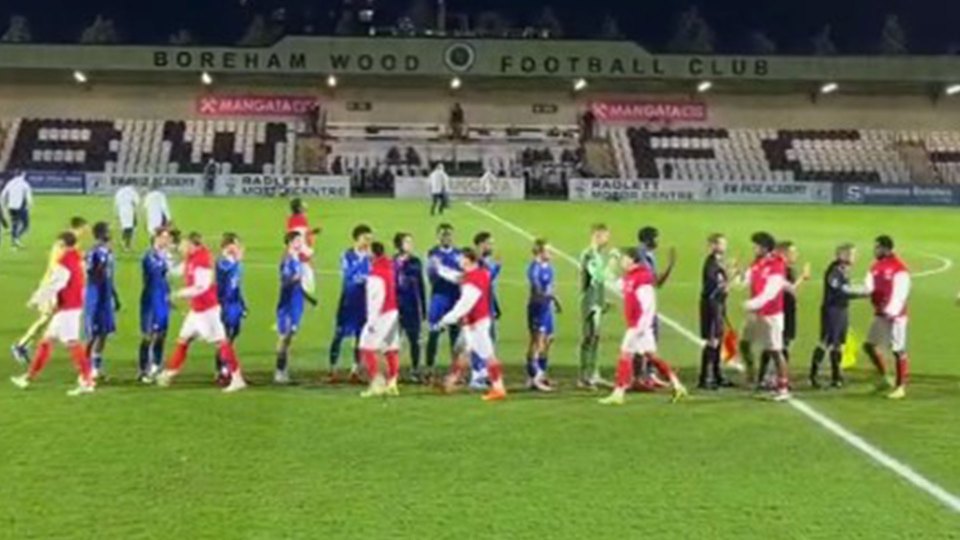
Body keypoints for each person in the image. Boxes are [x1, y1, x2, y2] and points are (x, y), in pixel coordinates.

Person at [155, 232, 247, 393]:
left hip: (207, 311)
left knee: (221, 343)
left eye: (184, 244)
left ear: (192, 244)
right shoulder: (192, 258)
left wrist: (178, 294)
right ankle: (169, 373)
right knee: (183, 340)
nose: (181, 248)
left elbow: (201, 287)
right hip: (196, 310)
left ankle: (237, 378)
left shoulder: (203, 260)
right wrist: (165, 261)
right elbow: (178, 270)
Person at [10, 231, 95, 396]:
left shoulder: (64, 262)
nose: (56, 248)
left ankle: (87, 381)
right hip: (71, 306)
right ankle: (28, 377)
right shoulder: (77, 258)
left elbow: (55, 284)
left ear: (63, 245)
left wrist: (36, 299)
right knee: (46, 341)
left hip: (68, 309)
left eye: (58, 245)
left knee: (72, 344)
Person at [599, 247, 687, 405]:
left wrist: (640, 327)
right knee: (652, 357)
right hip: (640, 327)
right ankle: (677, 385)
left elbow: (648, 305)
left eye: (623, 258)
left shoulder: (642, 277)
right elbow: (610, 282)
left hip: (639, 326)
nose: (622, 262)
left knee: (625, 355)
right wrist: (611, 261)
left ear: (632, 260)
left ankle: (618, 393)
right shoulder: (629, 277)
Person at [10, 216, 89, 365]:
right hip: (52, 285)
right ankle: (21, 346)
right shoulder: (64, 244)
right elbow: (56, 266)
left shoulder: (70, 242)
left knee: (51, 318)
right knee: (46, 317)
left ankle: (26, 345)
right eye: (85, 227)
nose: (87, 231)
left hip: (60, 286)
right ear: (80, 227)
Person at [439, 247, 506, 402]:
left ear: (468, 259)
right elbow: (457, 277)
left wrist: (446, 319)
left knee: (488, 356)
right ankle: (451, 381)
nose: (458, 261)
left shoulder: (473, 280)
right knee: (464, 351)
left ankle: (498, 387)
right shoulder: (480, 273)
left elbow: (464, 305)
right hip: (475, 322)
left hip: (477, 324)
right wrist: (440, 269)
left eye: (461, 258)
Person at [741, 232, 790, 401]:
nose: (753, 248)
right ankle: (752, 376)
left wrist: (752, 303)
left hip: (771, 315)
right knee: (744, 343)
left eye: (756, 245)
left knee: (775, 351)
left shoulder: (777, 265)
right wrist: (736, 275)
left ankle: (783, 388)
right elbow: (745, 281)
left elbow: (771, 292)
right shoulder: (756, 262)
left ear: (764, 247)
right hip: (756, 314)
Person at [861, 235, 911, 400]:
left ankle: (900, 386)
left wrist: (892, 311)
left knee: (898, 349)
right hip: (880, 314)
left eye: (877, 247)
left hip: (896, 316)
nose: (875, 250)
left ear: (885, 248)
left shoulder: (899, 268)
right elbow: (869, 286)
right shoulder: (875, 266)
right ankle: (884, 377)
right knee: (869, 345)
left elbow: (901, 293)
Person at [809, 243, 860, 389]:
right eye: (851, 254)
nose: (854, 257)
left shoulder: (844, 270)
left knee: (839, 344)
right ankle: (813, 376)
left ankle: (836, 376)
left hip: (842, 310)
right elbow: (840, 290)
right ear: (841, 255)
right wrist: (862, 293)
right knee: (825, 342)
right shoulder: (834, 271)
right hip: (832, 310)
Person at [329, 224, 373, 383]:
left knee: (360, 336)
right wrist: (363, 273)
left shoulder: (372, 257)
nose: (368, 242)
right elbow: (348, 274)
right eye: (365, 238)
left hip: (363, 302)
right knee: (339, 334)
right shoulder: (347, 255)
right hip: (348, 300)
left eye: (370, 239)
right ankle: (333, 369)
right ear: (357, 239)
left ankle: (355, 370)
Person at [634, 226, 676, 390]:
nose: (659, 241)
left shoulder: (650, 256)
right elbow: (651, 280)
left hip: (649, 304)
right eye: (656, 238)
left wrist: (670, 267)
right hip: (641, 305)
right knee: (640, 341)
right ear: (648, 239)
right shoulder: (641, 255)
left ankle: (650, 375)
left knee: (651, 340)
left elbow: (657, 283)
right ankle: (638, 378)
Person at [359, 241, 402, 398]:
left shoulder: (375, 274)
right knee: (391, 348)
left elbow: (376, 299)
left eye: (368, 251)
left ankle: (378, 383)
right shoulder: (389, 267)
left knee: (366, 346)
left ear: (373, 254)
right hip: (393, 312)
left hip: (381, 316)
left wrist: (371, 322)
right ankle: (392, 383)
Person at [578, 223, 616, 389]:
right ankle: (585, 377)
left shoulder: (597, 254)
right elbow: (598, 276)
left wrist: (602, 301)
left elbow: (597, 282)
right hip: (590, 303)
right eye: (606, 235)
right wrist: (613, 262)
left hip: (596, 302)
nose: (608, 239)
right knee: (589, 337)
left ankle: (593, 373)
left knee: (595, 338)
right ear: (597, 236)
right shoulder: (589, 254)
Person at [138, 227, 178, 383]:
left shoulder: (165, 256)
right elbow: (156, 273)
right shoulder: (149, 256)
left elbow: (167, 279)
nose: (168, 241)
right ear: (157, 238)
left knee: (161, 334)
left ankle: (156, 365)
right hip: (150, 300)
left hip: (162, 299)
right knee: (148, 335)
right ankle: (143, 370)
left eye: (168, 238)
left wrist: (170, 297)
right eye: (165, 237)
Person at [425, 223, 462, 380]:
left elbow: (463, 273)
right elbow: (433, 275)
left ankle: (456, 371)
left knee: (455, 335)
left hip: (455, 298)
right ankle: (429, 369)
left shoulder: (459, 254)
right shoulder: (433, 254)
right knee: (434, 334)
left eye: (448, 234)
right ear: (438, 236)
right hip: (439, 298)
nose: (446, 237)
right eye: (443, 234)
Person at [84, 222, 121, 380]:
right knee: (93, 334)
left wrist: (115, 295)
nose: (111, 232)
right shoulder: (93, 252)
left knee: (104, 332)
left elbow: (109, 276)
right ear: (101, 233)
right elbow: (89, 273)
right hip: (95, 297)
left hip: (106, 297)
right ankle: (84, 367)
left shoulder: (109, 252)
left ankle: (96, 368)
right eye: (109, 230)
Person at [698, 233, 734, 390]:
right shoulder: (711, 263)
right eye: (721, 244)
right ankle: (704, 378)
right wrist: (730, 279)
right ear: (712, 246)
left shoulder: (719, 263)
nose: (724, 246)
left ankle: (717, 375)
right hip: (711, 307)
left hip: (718, 306)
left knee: (718, 340)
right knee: (712, 341)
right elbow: (715, 287)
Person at [526, 238, 561, 392]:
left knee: (548, 340)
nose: (551, 252)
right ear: (540, 252)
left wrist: (554, 302)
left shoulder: (550, 267)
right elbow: (537, 290)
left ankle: (542, 374)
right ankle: (534, 377)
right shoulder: (534, 268)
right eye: (548, 250)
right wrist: (550, 297)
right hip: (537, 308)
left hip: (547, 308)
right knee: (537, 342)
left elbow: (550, 287)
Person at [393, 232, 427, 381]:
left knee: (414, 340)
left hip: (412, 306)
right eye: (407, 242)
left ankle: (414, 370)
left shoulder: (415, 262)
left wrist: (423, 308)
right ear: (399, 244)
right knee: (394, 341)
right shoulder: (393, 261)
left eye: (411, 242)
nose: (410, 245)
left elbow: (420, 285)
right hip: (396, 306)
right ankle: (393, 370)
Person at [275, 231, 307, 385]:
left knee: (290, 337)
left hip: (296, 302)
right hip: (287, 304)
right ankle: (279, 371)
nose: (301, 243)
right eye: (298, 240)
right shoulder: (287, 259)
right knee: (284, 337)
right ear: (290, 242)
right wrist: (296, 279)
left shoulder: (296, 258)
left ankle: (284, 369)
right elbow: (285, 282)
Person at [215, 233, 247, 383]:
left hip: (235, 304)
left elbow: (237, 286)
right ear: (227, 246)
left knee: (233, 336)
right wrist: (237, 262)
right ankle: (222, 370)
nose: (238, 248)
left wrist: (243, 304)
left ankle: (226, 367)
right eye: (236, 244)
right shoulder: (222, 262)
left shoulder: (235, 263)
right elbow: (226, 274)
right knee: (225, 338)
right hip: (225, 304)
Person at [470, 231, 501, 389]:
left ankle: (483, 372)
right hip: (478, 307)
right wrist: (497, 269)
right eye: (489, 243)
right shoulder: (474, 260)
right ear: (481, 244)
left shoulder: (485, 261)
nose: (491, 246)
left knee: (489, 340)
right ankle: (476, 375)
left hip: (488, 306)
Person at [286, 198, 321, 299]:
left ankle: (299, 288)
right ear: (299, 207)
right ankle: (300, 290)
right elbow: (302, 235)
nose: (305, 205)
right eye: (303, 204)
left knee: (302, 268)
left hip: (296, 248)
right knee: (306, 270)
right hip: (300, 248)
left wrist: (312, 232)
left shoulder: (292, 219)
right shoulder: (301, 219)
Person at [1, 171, 33, 248]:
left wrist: (4, 205)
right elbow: (28, 197)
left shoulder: (10, 183)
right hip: (20, 207)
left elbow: (3, 194)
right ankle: (16, 238)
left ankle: (14, 242)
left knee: (15, 224)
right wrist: (29, 206)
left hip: (11, 207)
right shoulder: (24, 184)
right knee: (25, 225)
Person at [114, 184, 140, 251]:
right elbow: (137, 202)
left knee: (124, 228)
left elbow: (116, 204)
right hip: (130, 212)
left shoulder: (119, 192)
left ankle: (123, 243)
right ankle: (128, 245)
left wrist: (117, 215)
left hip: (121, 212)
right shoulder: (132, 192)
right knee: (131, 229)